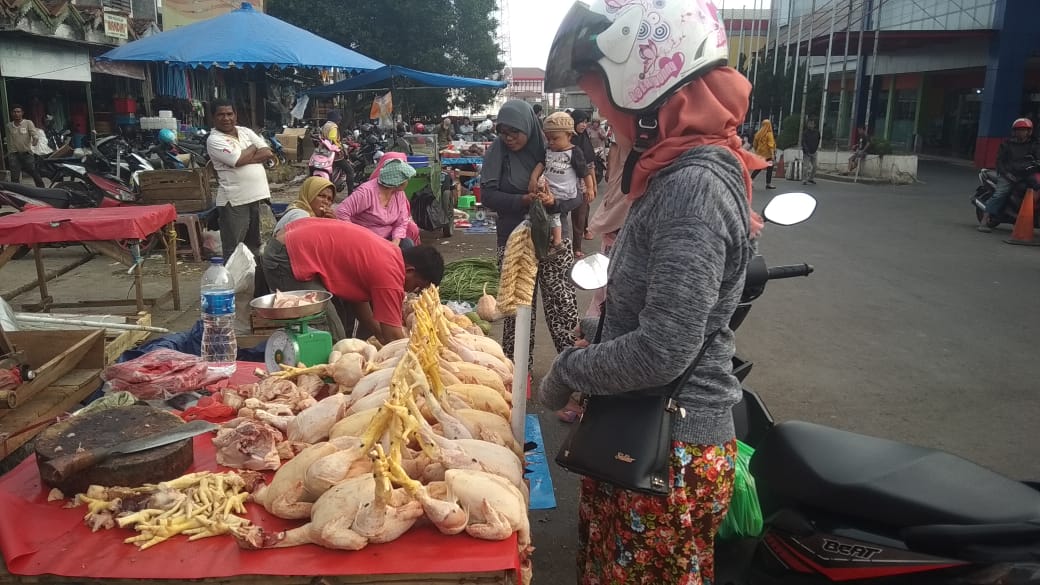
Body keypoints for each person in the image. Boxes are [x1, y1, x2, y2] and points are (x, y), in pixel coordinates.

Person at [539, 0, 768, 581]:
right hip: (643, 438)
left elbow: (664, 349)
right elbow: (660, 315)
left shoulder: (693, 187)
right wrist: (597, 331)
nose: (600, 118)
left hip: (669, 450)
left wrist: (569, 368)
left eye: (602, 100)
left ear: (648, 95)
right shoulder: (674, 172)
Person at [480, 100, 581, 365]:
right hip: (514, 241)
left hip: (555, 240)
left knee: (562, 306)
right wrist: (523, 200)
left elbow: (578, 195)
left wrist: (554, 204)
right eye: (503, 132)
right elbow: (488, 195)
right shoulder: (497, 152)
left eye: (514, 131)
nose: (508, 137)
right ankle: (518, 373)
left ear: (528, 127)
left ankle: (573, 370)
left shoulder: (552, 147)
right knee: (517, 309)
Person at [261, 217, 444, 343]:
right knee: (328, 330)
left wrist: (377, 333)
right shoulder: (390, 273)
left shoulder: (391, 254)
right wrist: (416, 358)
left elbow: (358, 301)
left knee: (340, 324)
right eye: (416, 286)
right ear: (410, 270)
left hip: (292, 242)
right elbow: (394, 335)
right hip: (287, 256)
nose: (411, 292)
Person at [206, 99, 274, 260]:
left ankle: (253, 282)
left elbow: (268, 152)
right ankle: (232, 283)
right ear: (213, 118)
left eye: (229, 114)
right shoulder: (214, 139)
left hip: (255, 196)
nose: (226, 118)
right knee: (234, 248)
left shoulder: (244, 131)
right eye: (221, 114)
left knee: (254, 245)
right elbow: (237, 160)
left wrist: (244, 157)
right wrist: (253, 146)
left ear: (235, 115)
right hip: (234, 200)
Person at [528, 112, 595, 253]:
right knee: (549, 217)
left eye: (555, 139)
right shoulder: (548, 150)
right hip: (549, 192)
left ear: (569, 136)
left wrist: (589, 188)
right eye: (548, 138)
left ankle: (559, 243)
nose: (551, 142)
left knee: (556, 214)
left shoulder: (574, 152)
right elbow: (541, 165)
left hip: (566, 194)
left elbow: (585, 172)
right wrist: (533, 179)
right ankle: (554, 243)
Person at [334, 158, 417, 248]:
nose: (407, 181)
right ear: (398, 182)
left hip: (388, 237)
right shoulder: (366, 192)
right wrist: (355, 234)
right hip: (366, 240)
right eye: (406, 179)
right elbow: (341, 212)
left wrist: (395, 243)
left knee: (407, 244)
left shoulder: (399, 194)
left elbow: (401, 222)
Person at [978, 118, 1040, 232]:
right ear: (1014, 131)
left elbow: (1037, 157)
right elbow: (1000, 161)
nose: (1021, 132)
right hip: (1008, 174)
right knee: (1000, 193)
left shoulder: (1034, 144)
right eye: (1018, 130)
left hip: (1027, 173)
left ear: (1029, 131)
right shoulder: (1007, 144)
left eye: (1024, 130)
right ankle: (984, 220)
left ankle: (1026, 215)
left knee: (1037, 187)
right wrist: (1007, 173)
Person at [569, 109, 598, 253]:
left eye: (585, 122)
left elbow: (590, 164)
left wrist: (592, 185)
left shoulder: (585, 140)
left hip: (583, 184)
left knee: (581, 214)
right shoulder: (566, 139)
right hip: (567, 182)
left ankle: (577, 247)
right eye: (581, 122)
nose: (583, 125)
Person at [5, 105, 45, 187]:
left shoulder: (28, 123)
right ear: (12, 113)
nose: (16, 114)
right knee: (15, 176)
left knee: (33, 172)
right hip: (14, 154)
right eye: (14, 112)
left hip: (26, 153)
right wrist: (9, 153)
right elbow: (8, 140)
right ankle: (16, 194)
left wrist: (35, 140)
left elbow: (34, 134)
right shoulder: (9, 126)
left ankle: (42, 189)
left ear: (22, 113)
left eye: (18, 112)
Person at [320, 109, 355, 193]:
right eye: (338, 117)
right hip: (334, 154)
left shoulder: (325, 126)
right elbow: (333, 140)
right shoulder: (333, 127)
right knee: (350, 171)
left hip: (325, 152)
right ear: (335, 118)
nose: (340, 119)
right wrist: (340, 149)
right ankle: (351, 193)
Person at [750, 118, 777, 189]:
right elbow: (771, 145)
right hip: (768, 155)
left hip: (760, 154)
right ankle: (768, 183)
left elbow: (754, 144)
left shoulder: (758, 133)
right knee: (770, 169)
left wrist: (757, 151)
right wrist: (773, 155)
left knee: (758, 168)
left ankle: (749, 181)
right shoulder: (769, 134)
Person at [801, 118, 821, 185]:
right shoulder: (805, 132)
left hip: (814, 151)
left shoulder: (817, 132)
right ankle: (804, 179)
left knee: (815, 166)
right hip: (807, 152)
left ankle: (811, 178)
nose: (810, 125)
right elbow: (803, 142)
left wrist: (815, 148)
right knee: (806, 167)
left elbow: (818, 140)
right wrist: (806, 150)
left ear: (814, 125)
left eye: (812, 123)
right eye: (809, 123)